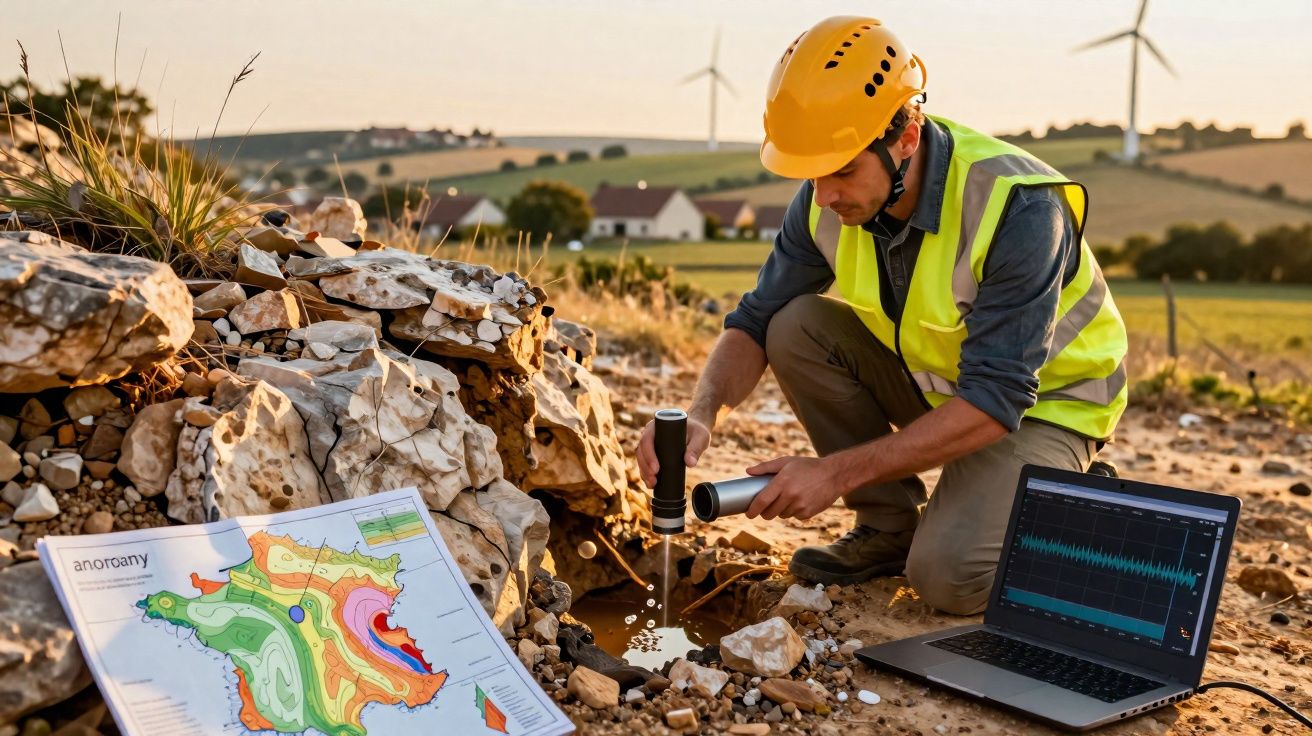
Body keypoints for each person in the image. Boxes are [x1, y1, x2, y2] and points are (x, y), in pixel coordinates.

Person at [636, 16, 1128, 615]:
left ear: (907, 136)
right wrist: (702, 411)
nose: (824, 194)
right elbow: (758, 319)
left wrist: (833, 474)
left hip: (1046, 408)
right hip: (942, 388)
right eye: (811, 172)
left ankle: (1067, 505)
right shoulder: (825, 198)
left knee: (948, 579)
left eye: (843, 169)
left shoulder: (1017, 205)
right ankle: (888, 528)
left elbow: (997, 397)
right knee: (794, 325)